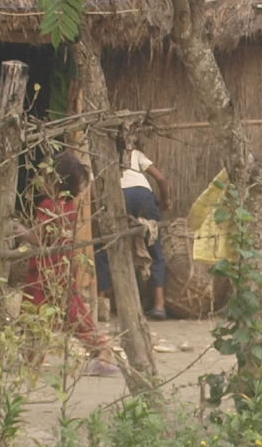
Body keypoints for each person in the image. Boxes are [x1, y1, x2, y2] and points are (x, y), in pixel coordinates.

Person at [25, 151, 118, 376]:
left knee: (39, 316)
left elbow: (40, 238)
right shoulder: (67, 206)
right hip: (60, 270)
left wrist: (19, 231)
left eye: (42, 175)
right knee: (67, 314)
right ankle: (32, 360)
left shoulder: (49, 205)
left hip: (46, 273)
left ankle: (101, 351)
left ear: (53, 180)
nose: (38, 180)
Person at [95, 139, 171, 321]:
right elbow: (161, 178)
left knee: (105, 248)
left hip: (118, 196)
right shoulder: (135, 154)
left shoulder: (98, 157)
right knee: (155, 251)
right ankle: (159, 306)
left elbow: (91, 187)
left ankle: (103, 303)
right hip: (143, 197)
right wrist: (165, 200)